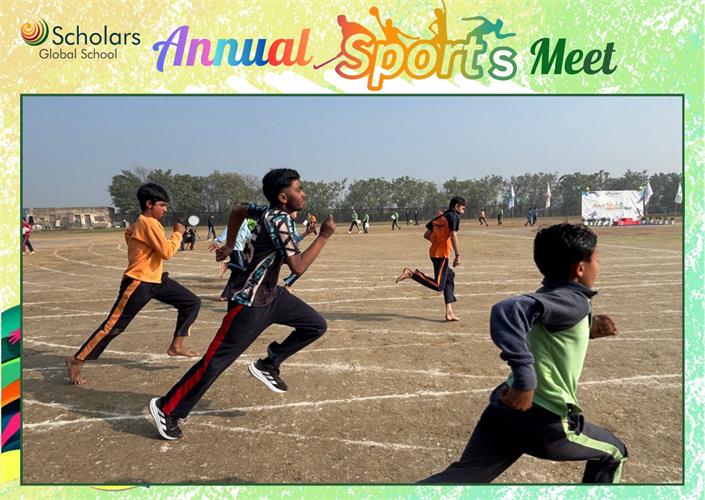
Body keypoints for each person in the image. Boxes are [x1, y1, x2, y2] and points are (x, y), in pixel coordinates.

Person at [420, 223, 626, 484]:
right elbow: (508, 310)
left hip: (506, 410)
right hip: (544, 421)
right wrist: (525, 380)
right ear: (580, 269)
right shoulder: (573, 301)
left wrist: (589, 330)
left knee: (462, 479)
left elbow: (551, 336)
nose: (599, 265)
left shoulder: (553, 295)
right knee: (615, 453)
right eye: (597, 259)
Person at [149, 168, 335, 440]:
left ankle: (269, 364)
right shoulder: (280, 220)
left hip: (271, 295)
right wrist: (324, 236)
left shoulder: (264, 210)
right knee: (216, 361)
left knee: (315, 325)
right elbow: (297, 266)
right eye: (298, 189)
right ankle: (167, 408)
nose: (303, 193)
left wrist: (230, 244)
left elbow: (238, 210)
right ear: (283, 197)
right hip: (249, 302)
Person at [65, 183, 201, 385]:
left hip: (156, 279)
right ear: (149, 204)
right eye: (162, 205)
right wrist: (178, 233)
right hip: (139, 282)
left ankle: (176, 346)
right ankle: (76, 360)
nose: (165, 209)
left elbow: (129, 234)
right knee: (113, 326)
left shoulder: (141, 223)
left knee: (191, 302)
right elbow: (167, 252)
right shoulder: (148, 223)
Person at [396, 196, 465, 321]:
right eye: (462, 208)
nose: (463, 211)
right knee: (439, 286)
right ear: (456, 206)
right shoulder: (454, 216)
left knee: (450, 277)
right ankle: (412, 274)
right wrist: (457, 255)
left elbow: (426, 235)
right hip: (442, 255)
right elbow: (453, 235)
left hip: (434, 253)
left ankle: (449, 312)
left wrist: (438, 241)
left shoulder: (440, 217)